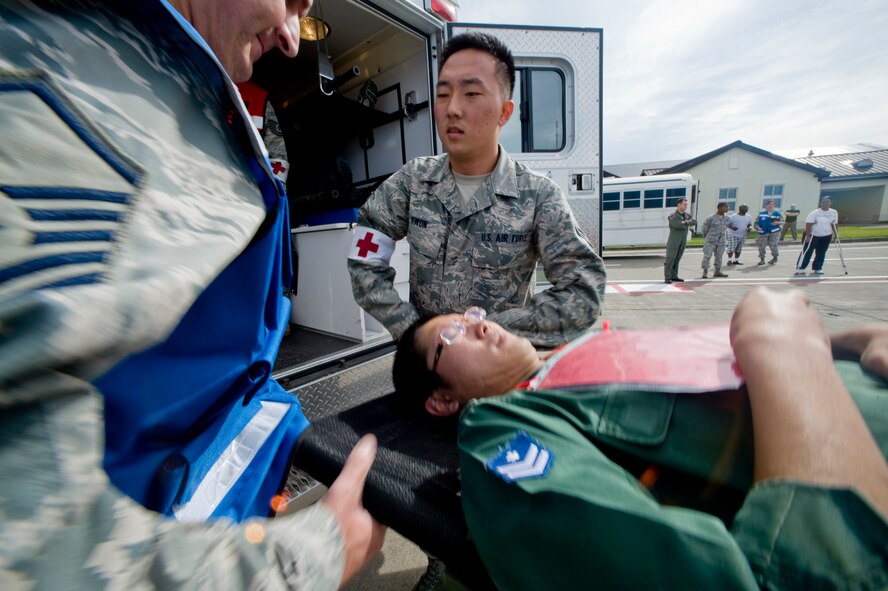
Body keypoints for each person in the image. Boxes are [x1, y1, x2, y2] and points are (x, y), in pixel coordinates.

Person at [0, 0, 384, 588]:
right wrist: (316, 555)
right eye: (290, 2)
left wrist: (289, 431)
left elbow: (215, 365)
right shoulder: (52, 86)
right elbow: (34, 548)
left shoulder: (179, 94)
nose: (288, 38)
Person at [393, 291, 888, 589]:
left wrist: (849, 341)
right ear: (441, 400)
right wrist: (781, 348)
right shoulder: (501, 428)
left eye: (470, 314)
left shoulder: (586, 350)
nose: (478, 322)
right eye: (452, 336)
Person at [347, 32, 606, 349]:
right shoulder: (413, 182)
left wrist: (493, 332)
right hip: (427, 371)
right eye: (443, 95)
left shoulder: (539, 196)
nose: (452, 109)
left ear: (504, 112)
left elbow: (584, 288)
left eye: (471, 94)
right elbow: (365, 252)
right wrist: (410, 329)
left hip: (498, 379)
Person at [795, 196, 839, 276]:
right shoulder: (815, 213)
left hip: (826, 235)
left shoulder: (833, 212)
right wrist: (808, 236)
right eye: (823, 202)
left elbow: (834, 224)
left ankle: (818, 267)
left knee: (821, 252)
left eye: (827, 202)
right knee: (807, 251)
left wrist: (836, 234)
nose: (825, 204)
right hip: (813, 235)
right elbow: (808, 224)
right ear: (821, 203)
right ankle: (801, 267)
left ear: (830, 203)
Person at [663, 197, 695, 283]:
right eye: (684, 204)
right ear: (679, 205)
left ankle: (674, 275)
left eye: (686, 205)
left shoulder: (687, 215)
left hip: (683, 240)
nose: (686, 206)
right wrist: (687, 223)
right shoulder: (673, 215)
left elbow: (694, 222)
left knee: (677, 257)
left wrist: (685, 222)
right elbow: (677, 225)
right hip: (674, 240)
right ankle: (667, 276)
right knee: (670, 257)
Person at [700, 201, 730, 278]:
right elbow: (704, 228)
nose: (727, 208)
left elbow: (727, 227)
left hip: (721, 240)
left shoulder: (727, 218)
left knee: (719, 256)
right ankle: (705, 272)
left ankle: (717, 271)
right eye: (725, 207)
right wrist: (707, 237)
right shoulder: (711, 218)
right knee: (707, 255)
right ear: (719, 208)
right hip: (711, 240)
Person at [754, 199, 782, 265]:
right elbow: (755, 223)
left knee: (773, 244)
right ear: (766, 205)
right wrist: (757, 228)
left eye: (772, 204)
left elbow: (783, 221)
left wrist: (778, 222)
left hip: (774, 232)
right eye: (769, 204)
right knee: (761, 246)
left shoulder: (777, 213)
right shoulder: (761, 214)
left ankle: (775, 258)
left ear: (774, 206)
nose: (770, 206)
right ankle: (762, 259)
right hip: (763, 232)